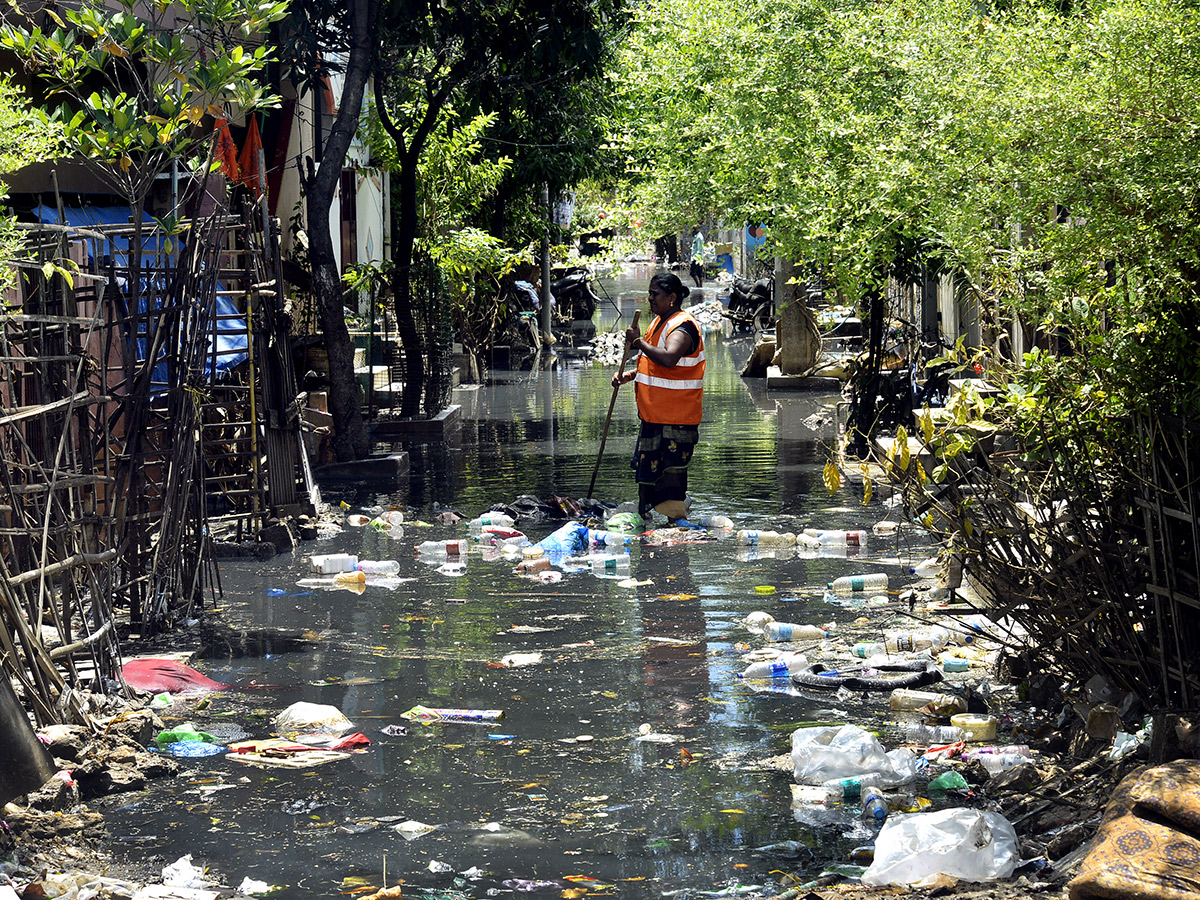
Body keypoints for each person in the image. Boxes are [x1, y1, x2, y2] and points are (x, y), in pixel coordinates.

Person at [612, 273, 705, 524]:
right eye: (650, 293)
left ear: (672, 298)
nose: (650, 298)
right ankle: (645, 519)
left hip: (677, 418)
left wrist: (637, 341)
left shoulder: (683, 326)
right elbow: (654, 366)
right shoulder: (659, 322)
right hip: (654, 416)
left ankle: (675, 524)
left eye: (655, 294)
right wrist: (630, 375)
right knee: (647, 471)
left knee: (671, 473)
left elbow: (668, 358)